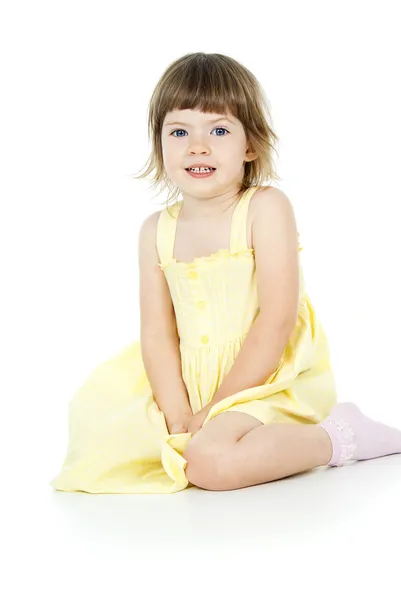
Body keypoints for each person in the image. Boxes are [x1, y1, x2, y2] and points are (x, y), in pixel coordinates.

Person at [49, 52, 401, 494]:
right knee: (101, 434)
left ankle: (338, 437)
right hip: (188, 383)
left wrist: (217, 408)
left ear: (250, 145)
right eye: (179, 132)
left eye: (218, 130)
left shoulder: (264, 209)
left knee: (211, 465)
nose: (198, 147)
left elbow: (276, 319)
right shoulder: (155, 231)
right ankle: (213, 434)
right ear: (160, 144)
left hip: (267, 377)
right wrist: (179, 415)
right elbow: (158, 334)